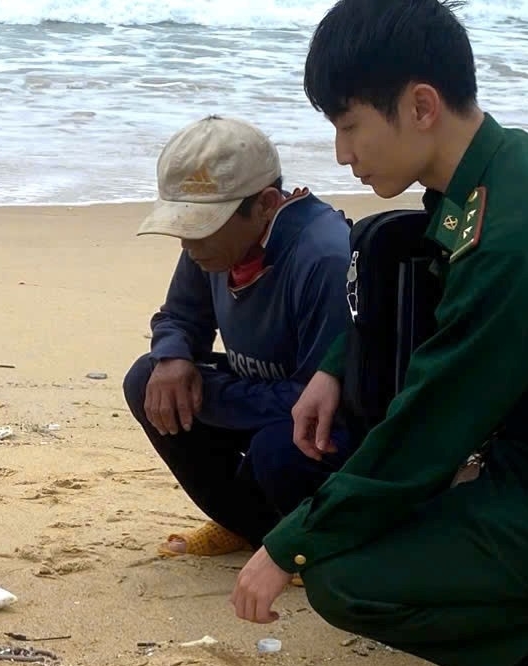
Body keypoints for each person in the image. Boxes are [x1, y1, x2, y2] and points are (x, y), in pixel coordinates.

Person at [229, 2, 528, 666]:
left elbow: (430, 426)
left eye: (350, 126)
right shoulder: (490, 175)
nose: (342, 154)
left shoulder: (520, 230)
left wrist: (289, 544)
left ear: (421, 106)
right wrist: (336, 364)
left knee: (342, 578)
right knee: (350, 531)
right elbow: (437, 309)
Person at [122, 115, 355, 560]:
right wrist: (173, 356)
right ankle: (247, 527)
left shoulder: (323, 255)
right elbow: (179, 316)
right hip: (265, 398)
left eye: (202, 224)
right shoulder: (211, 244)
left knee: (279, 447)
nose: (187, 241)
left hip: (327, 426)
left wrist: (210, 397)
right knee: (149, 379)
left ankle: (317, 543)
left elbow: (321, 398)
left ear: (266, 203)